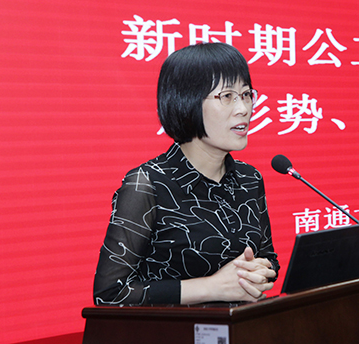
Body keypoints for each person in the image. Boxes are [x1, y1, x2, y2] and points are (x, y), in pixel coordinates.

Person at [93, 42, 279, 306]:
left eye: (246, 94)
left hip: (241, 325)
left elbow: (269, 259)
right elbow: (110, 293)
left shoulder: (250, 179)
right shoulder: (147, 184)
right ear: (187, 101)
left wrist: (259, 273)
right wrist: (210, 288)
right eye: (227, 96)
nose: (244, 109)